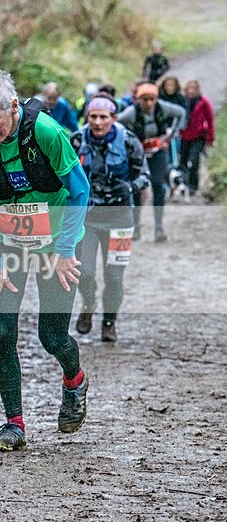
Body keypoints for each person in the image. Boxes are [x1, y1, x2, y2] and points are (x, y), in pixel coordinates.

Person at [0, 71, 90, 452]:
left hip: (57, 243)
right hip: (8, 242)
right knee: (1, 333)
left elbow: (80, 191)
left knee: (51, 337)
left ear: (13, 108)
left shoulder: (47, 132)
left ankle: (74, 379)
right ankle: (13, 424)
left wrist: (65, 251)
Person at [70, 93, 150, 342]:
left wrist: (130, 189)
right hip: (88, 219)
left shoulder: (129, 140)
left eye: (103, 117)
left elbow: (144, 176)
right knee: (84, 273)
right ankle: (88, 303)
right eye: (93, 116)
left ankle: (109, 322)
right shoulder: (76, 140)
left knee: (114, 276)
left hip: (120, 218)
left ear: (114, 118)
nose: (97, 122)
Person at [117, 82, 186, 242]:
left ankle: (159, 228)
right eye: (145, 99)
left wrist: (172, 134)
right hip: (138, 154)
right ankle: (135, 227)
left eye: (152, 99)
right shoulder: (131, 112)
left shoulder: (163, 107)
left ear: (156, 98)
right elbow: (116, 124)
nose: (148, 103)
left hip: (158, 153)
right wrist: (129, 141)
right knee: (136, 189)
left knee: (158, 186)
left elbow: (181, 113)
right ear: (139, 99)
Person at [179, 79, 215, 196]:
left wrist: (210, 137)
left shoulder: (203, 102)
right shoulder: (182, 101)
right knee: (182, 161)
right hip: (183, 135)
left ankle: (193, 186)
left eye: (194, 88)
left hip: (198, 136)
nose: (191, 91)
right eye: (189, 88)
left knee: (194, 160)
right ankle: (182, 184)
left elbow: (210, 119)